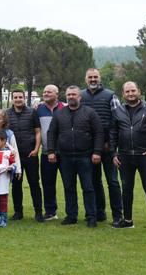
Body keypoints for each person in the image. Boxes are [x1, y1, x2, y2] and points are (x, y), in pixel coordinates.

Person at [108, 81, 146, 232]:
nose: (130, 94)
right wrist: (114, 153)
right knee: (126, 189)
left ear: (139, 91)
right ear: (123, 94)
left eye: (133, 91)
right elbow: (113, 133)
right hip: (125, 157)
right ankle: (127, 220)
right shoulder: (117, 111)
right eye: (127, 92)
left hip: (145, 156)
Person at [46, 86, 103, 227]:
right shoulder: (59, 114)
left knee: (88, 187)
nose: (71, 97)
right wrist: (51, 151)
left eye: (74, 94)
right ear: (66, 96)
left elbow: (99, 133)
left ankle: (91, 216)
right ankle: (71, 215)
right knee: (69, 187)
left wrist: (97, 152)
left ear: (79, 97)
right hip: (65, 157)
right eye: (69, 94)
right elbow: (51, 133)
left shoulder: (90, 113)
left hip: (86, 156)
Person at [79, 68, 123, 225]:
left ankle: (118, 215)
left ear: (100, 78)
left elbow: (117, 121)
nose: (93, 80)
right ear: (86, 79)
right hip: (89, 148)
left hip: (108, 148)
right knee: (94, 181)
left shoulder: (110, 96)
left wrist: (111, 143)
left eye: (95, 77)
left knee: (112, 181)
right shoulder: (81, 96)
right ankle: (99, 212)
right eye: (90, 77)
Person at [5, 90, 43, 222]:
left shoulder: (32, 112)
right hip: (15, 156)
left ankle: (38, 212)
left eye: (20, 97)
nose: (18, 99)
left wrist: (36, 149)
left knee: (34, 183)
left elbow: (38, 132)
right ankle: (18, 212)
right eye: (15, 97)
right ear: (12, 99)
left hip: (30, 154)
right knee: (16, 184)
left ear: (24, 98)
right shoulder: (7, 114)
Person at [35, 85, 64, 221]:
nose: (46, 93)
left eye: (49, 92)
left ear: (57, 94)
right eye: (44, 91)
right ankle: (51, 211)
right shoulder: (38, 109)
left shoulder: (65, 107)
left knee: (68, 184)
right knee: (48, 183)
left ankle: (71, 212)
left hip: (65, 153)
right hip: (47, 152)